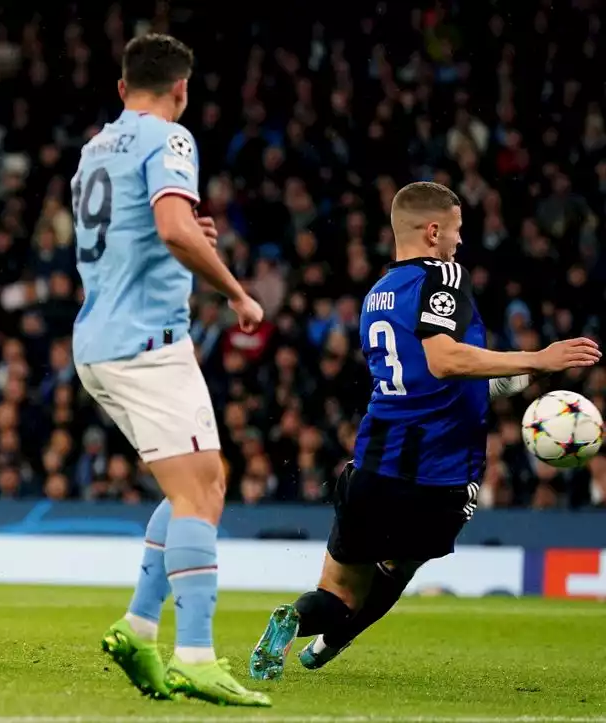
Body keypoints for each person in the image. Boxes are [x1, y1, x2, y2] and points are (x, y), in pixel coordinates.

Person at [248, 182, 601, 680]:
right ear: (433, 231)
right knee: (397, 568)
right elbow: (444, 359)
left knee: (337, 593)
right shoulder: (445, 275)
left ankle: (299, 621)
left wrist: (521, 378)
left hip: (371, 467)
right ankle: (331, 642)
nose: (459, 242)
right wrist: (536, 357)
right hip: (438, 475)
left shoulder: (377, 295)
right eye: (456, 231)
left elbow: (424, 379)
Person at [70, 34, 269, 707]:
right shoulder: (172, 139)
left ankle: (136, 626)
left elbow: (137, 233)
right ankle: (195, 654)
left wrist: (182, 234)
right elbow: (172, 228)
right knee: (196, 492)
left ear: (124, 88)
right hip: (146, 343)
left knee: (204, 480)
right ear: (182, 90)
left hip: (101, 336)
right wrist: (236, 292)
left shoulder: (96, 148)